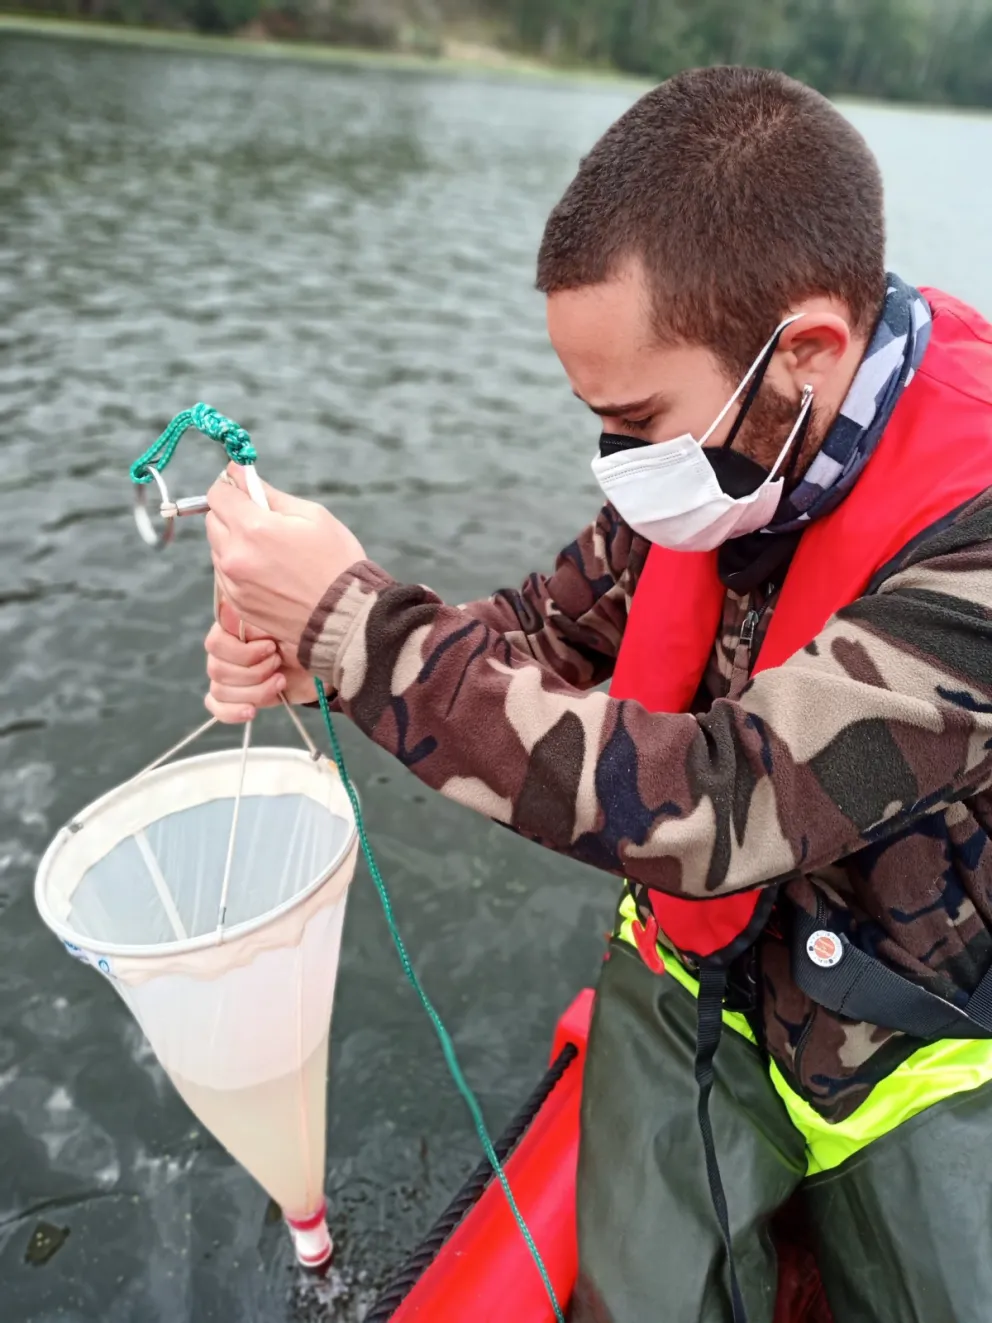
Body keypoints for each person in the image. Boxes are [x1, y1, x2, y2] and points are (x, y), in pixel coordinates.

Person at [202, 66, 992, 1323]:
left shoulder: (975, 548)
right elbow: (539, 630)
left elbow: (725, 800)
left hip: (924, 1033)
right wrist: (321, 654)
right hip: (695, 985)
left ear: (803, 355)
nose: (619, 471)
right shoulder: (723, 453)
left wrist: (362, 630)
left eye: (635, 423)